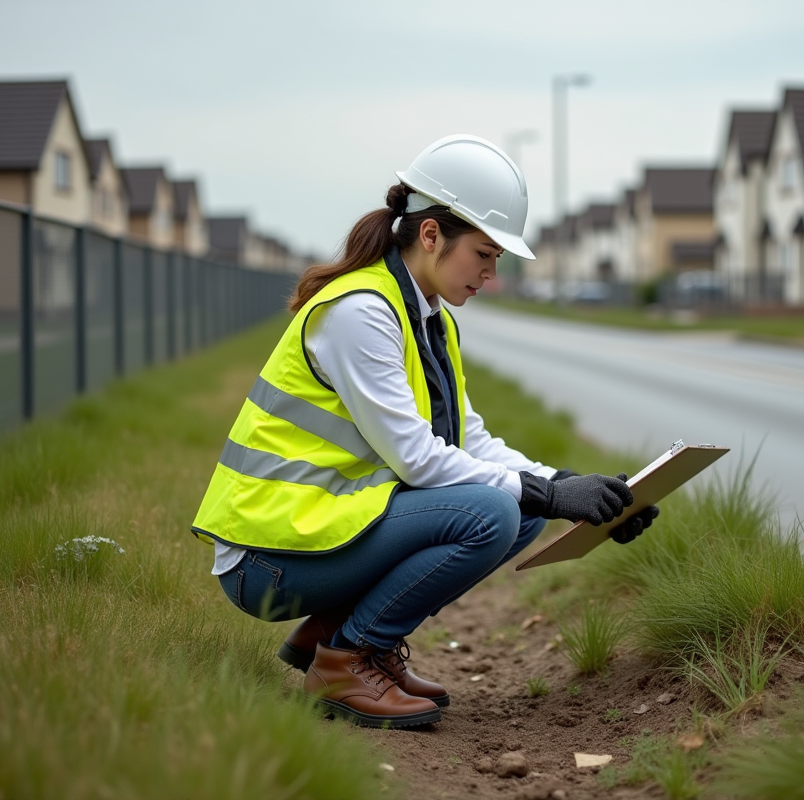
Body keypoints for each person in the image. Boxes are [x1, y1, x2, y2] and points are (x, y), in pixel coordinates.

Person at [191, 134, 658, 728]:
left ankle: (344, 639)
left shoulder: (427, 316)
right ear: (432, 235)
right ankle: (347, 659)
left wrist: (575, 489)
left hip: (321, 532)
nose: (490, 275)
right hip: (267, 558)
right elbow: (418, 460)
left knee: (524, 508)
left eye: (496, 261)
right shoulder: (361, 312)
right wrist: (549, 493)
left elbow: (470, 442)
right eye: (485, 255)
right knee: (494, 512)